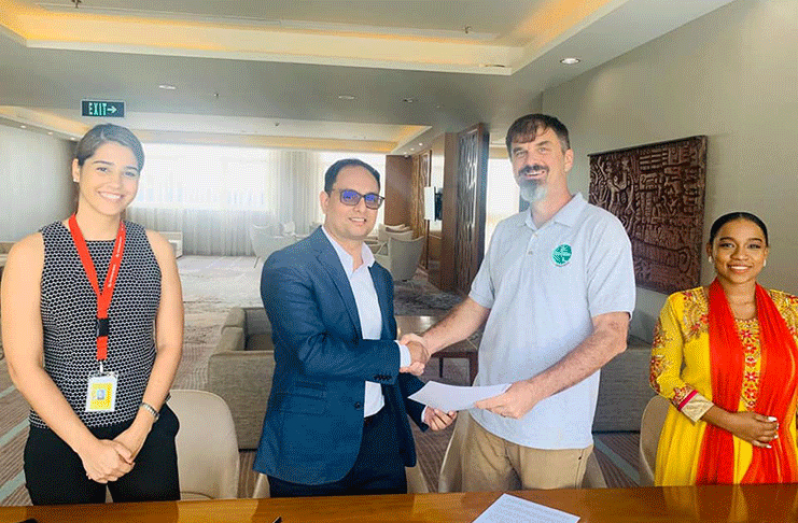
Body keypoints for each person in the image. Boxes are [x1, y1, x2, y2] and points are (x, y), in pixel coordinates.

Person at [403, 114, 636, 491]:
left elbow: (612, 335)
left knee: (543, 516)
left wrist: (534, 391)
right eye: (520, 152)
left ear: (567, 158)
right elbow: (476, 306)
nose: (531, 161)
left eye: (543, 148)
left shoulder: (600, 230)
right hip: (486, 417)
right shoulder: (507, 231)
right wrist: (426, 343)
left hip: (553, 430)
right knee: (477, 512)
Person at [1, 124, 183, 504]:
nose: (116, 182)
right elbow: (22, 365)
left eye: (129, 172)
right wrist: (87, 446)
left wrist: (139, 430)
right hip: (60, 435)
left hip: (143, 430)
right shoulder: (32, 253)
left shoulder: (155, 248)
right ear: (76, 169)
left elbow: (170, 345)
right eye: (103, 168)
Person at [253, 158, 455, 497]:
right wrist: (403, 354)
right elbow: (313, 354)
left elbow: (383, 360)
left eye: (371, 198)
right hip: (310, 447)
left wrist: (422, 404)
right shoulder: (288, 266)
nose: (362, 207)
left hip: (380, 444)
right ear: (325, 200)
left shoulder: (380, 276)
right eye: (349, 196)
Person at [650, 212, 798, 485]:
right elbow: (663, 378)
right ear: (710, 250)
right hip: (699, 442)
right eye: (728, 244)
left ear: (765, 253)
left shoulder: (791, 310)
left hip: (775, 445)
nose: (740, 255)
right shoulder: (682, 306)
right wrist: (729, 421)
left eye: (753, 246)